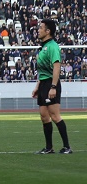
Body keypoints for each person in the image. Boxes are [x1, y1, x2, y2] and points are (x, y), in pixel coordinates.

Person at [32, 18, 71, 154]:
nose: (38, 30)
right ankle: (49, 147)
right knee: (44, 116)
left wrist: (53, 87)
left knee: (55, 116)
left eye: (41, 28)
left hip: (51, 83)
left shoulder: (53, 46)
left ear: (48, 31)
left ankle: (67, 147)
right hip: (43, 83)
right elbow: (42, 70)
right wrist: (38, 86)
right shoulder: (43, 47)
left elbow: (56, 67)